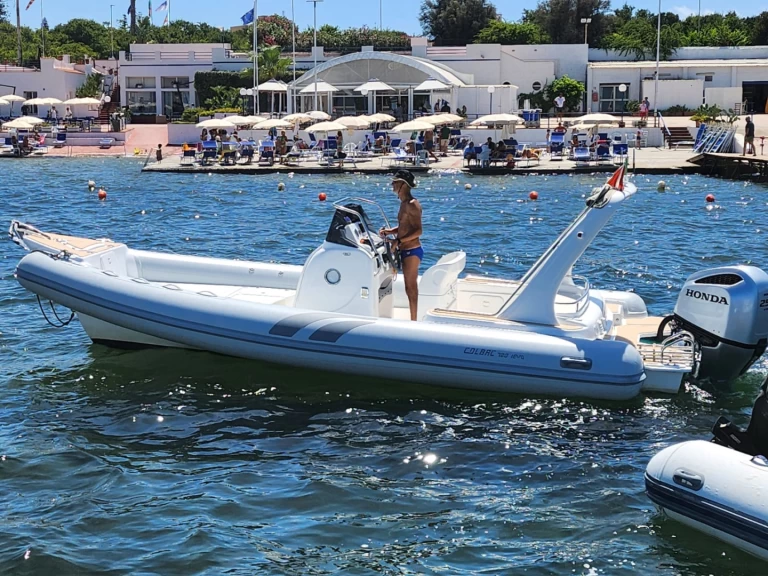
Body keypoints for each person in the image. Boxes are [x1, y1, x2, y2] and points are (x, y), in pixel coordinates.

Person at [379, 170, 423, 321]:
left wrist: (398, 241)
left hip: (412, 250)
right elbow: (405, 226)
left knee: (411, 287)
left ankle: (414, 320)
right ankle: (413, 318)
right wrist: (390, 232)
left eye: (395, 182)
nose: (392, 184)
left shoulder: (412, 204)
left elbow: (418, 231)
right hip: (405, 249)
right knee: (407, 287)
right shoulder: (403, 204)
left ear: (403, 185)